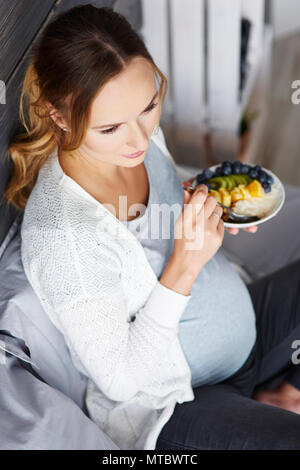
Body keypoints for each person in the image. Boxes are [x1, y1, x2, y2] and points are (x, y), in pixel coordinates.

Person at [4, 4, 300, 450]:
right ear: (58, 116)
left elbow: (157, 215)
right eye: (111, 128)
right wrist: (185, 261)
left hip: (243, 340)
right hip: (177, 404)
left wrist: (211, 204)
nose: (141, 139)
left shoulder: (135, 139)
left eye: (149, 106)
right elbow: (122, 379)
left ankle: (281, 392)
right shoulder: (63, 237)